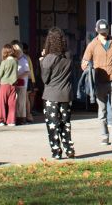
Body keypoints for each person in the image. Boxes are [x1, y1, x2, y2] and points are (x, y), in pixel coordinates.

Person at [79, 19, 112, 145]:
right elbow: (83, 63)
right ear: (96, 30)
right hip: (99, 81)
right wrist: (86, 66)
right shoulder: (92, 45)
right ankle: (104, 135)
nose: (103, 34)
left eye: (105, 32)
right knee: (102, 110)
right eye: (101, 32)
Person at [40, 27, 75, 159]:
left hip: (51, 95)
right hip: (66, 94)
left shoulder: (48, 59)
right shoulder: (69, 56)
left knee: (52, 124)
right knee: (65, 122)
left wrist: (42, 60)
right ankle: (69, 148)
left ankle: (56, 150)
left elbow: (45, 79)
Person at [10, 39, 35, 124]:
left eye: (16, 51)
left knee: (22, 102)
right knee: (17, 101)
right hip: (15, 84)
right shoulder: (13, 60)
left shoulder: (24, 60)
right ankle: (17, 117)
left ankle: (23, 118)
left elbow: (27, 72)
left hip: (22, 84)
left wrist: (17, 77)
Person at [0, 43, 19, 127]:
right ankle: (11, 121)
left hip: (4, 84)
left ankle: (0, 120)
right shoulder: (15, 61)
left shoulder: (4, 62)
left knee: (2, 103)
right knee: (12, 103)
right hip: (13, 84)